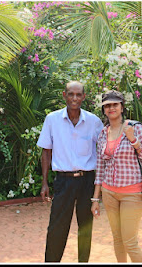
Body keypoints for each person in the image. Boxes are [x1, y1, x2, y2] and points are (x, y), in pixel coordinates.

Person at [37, 81, 104, 262]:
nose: (75, 98)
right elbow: (46, 151)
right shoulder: (52, 120)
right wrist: (44, 182)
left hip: (87, 181)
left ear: (84, 97)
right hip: (63, 181)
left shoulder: (93, 121)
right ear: (64, 95)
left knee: (85, 228)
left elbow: (104, 150)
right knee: (57, 227)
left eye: (78, 95)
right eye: (71, 94)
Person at [90, 90, 142, 263]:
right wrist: (96, 199)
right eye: (107, 105)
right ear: (103, 109)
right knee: (117, 240)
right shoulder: (103, 133)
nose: (111, 108)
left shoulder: (135, 127)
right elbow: (100, 168)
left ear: (122, 107)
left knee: (130, 242)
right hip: (109, 193)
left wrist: (134, 140)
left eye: (114, 104)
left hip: (131, 194)